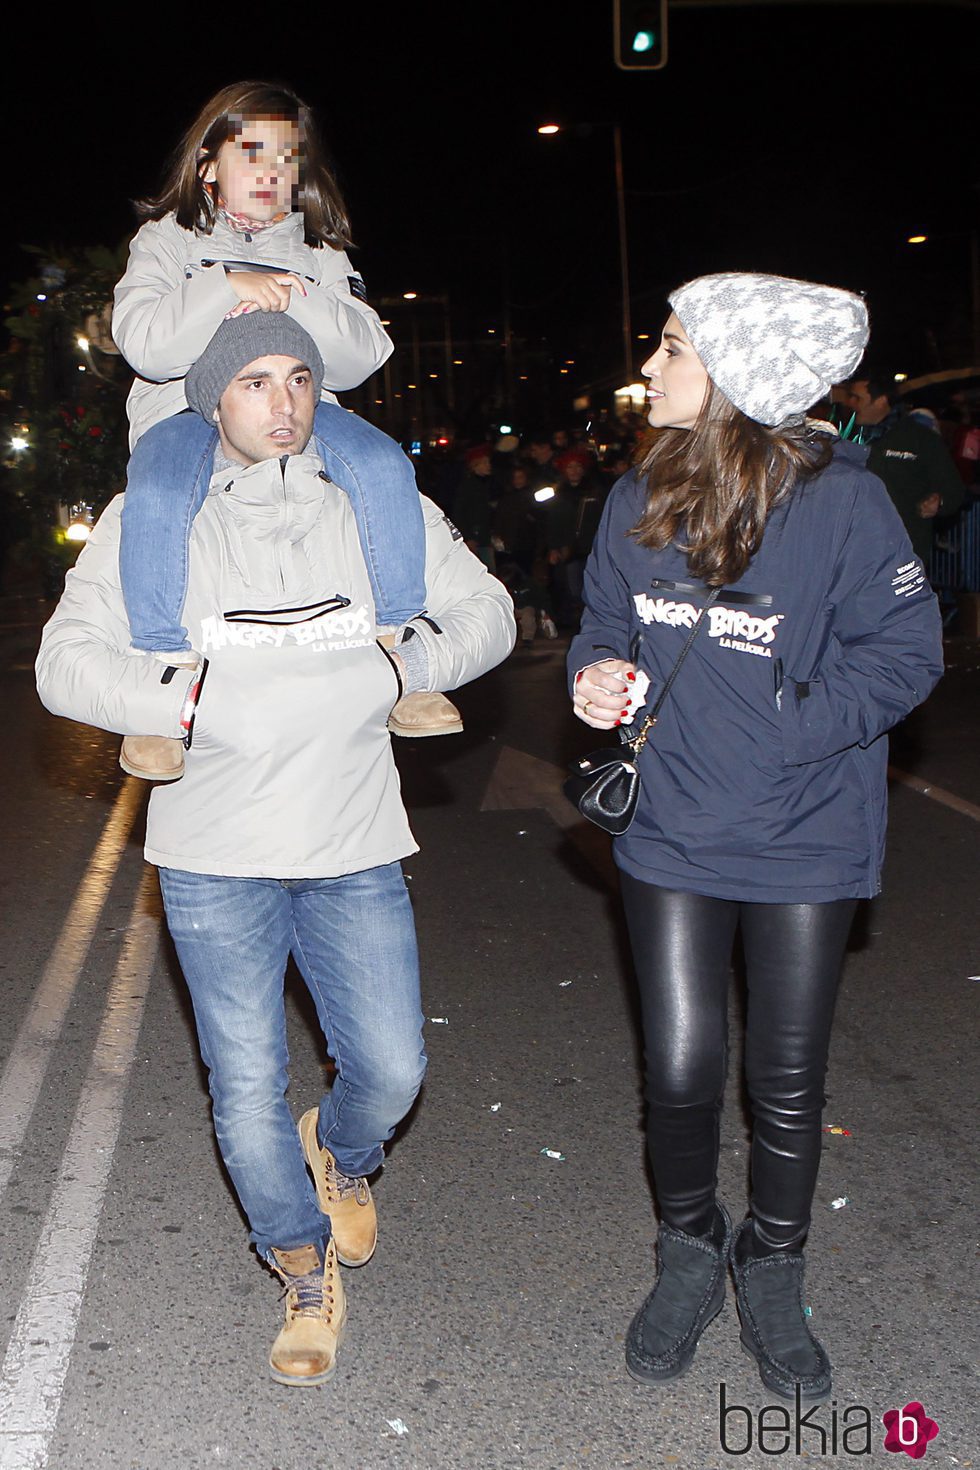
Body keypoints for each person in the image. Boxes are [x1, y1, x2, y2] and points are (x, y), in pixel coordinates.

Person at [36, 313, 515, 1386]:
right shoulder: (155, 519)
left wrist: (402, 668)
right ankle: (299, 1268)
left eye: (299, 377)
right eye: (253, 382)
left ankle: (341, 1157)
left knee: (390, 1071)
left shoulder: (374, 510)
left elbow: (487, 610)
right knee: (242, 1088)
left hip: (349, 841)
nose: (284, 400)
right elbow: (63, 663)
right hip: (212, 855)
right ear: (214, 402)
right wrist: (185, 693)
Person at [568, 273, 943, 1404]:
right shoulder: (639, 489)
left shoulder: (844, 504)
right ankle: (689, 1243)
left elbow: (905, 652)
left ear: (733, 377)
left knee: (784, 1082)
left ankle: (770, 1263)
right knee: (680, 1070)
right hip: (672, 829)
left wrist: (792, 721)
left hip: (801, 839)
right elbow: (602, 619)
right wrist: (597, 681)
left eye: (671, 349)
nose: (649, 369)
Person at [112, 80, 461, 774]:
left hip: (304, 410)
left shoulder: (318, 250)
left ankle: (403, 655)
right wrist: (225, 285)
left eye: (288, 156)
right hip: (186, 412)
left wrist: (296, 290)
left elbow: (364, 356)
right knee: (155, 492)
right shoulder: (164, 242)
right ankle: (156, 695)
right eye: (254, 152)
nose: (273, 171)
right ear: (208, 164)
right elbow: (144, 344)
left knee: (385, 464)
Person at [845, 371, 965, 564]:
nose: (850, 403)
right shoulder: (846, 437)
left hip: (903, 553)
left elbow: (954, 490)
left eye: (856, 398)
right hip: (855, 550)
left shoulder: (919, 439)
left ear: (881, 401)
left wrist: (938, 502)